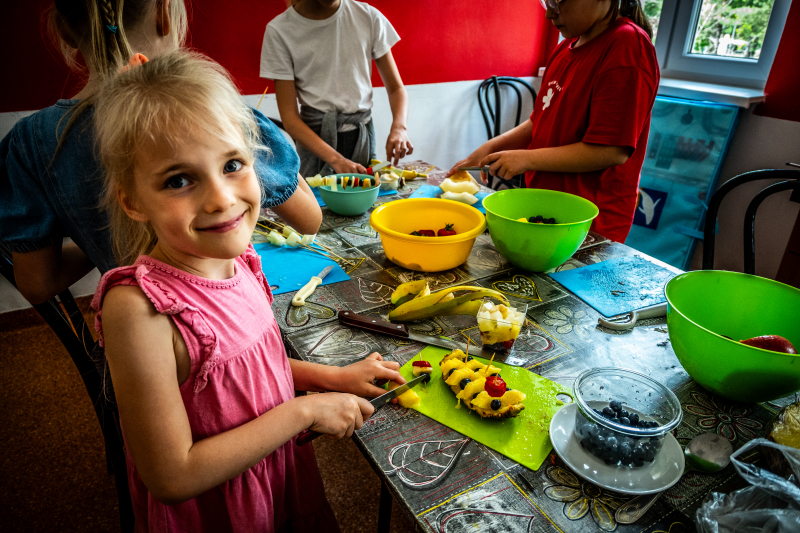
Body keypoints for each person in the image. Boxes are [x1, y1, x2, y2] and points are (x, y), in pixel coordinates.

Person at [91, 50, 404, 532]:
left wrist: (330, 377)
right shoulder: (139, 310)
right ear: (133, 201)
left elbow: (244, 372)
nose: (220, 197)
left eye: (232, 163)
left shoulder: (239, 262)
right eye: (179, 180)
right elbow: (172, 475)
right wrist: (304, 411)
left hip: (276, 475)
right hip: (221, 510)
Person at [0, 0, 321, 305]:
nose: (220, 200)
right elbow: (309, 219)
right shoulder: (208, 111)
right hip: (229, 311)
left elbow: (38, 284)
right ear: (165, 12)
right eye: (178, 182)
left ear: (66, 31)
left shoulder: (30, 141)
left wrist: (100, 231)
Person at [449, 0, 659, 243]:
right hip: (544, 208)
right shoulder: (565, 47)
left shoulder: (627, 45)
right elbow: (539, 120)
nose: (549, 13)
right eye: (546, 1)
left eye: (559, 1)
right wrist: (489, 148)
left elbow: (612, 150)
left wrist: (525, 159)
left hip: (588, 223)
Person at [260, 0, 413, 177]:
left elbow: (396, 88)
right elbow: (290, 119)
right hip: (316, 144)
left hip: (362, 137)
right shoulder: (280, 30)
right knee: (318, 202)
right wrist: (335, 159)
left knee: (365, 199)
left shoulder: (368, 16)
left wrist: (399, 127)